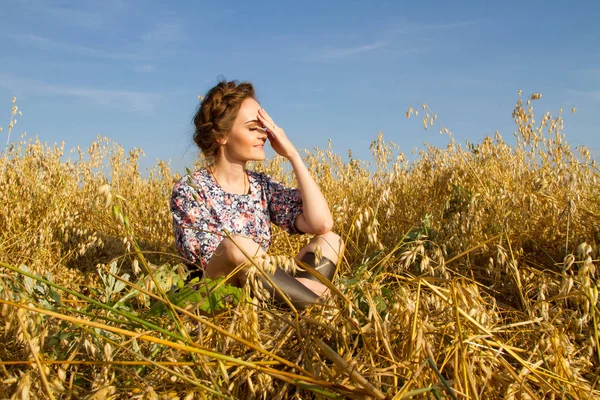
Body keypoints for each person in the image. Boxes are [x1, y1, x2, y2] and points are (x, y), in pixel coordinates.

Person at [170, 80, 344, 310]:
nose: (263, 134)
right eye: (253, 127)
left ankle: (304, 304)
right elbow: (210, 262)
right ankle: (323, 308)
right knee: (237, 245)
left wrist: (293, 155)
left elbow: (321, 223)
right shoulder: (191, 189)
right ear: (221, 136)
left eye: (264, 127)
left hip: (262, 287)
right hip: (212, 296)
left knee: (331, 240)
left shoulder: (261, 185)